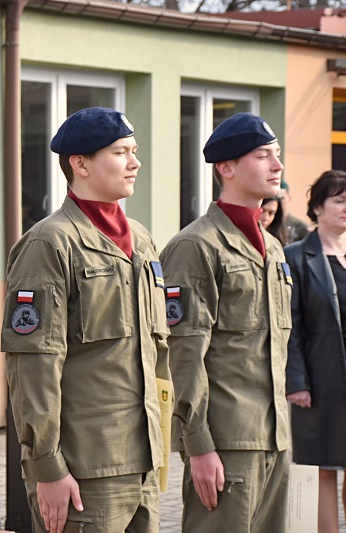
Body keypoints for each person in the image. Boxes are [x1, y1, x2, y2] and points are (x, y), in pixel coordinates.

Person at [2, 107, 170, 533]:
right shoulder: (50, 243)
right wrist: (47, 466)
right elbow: (33, 365)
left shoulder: (141, 240)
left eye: (134, 151)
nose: (134, 162)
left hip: (142, 461)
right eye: (120, 152)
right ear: (80, 164)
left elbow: (157, 353)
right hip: (84, 469)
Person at [160, 112, 291, 532]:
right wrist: (198, 445)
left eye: (277, 154)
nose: (277, 165)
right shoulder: (196, 246)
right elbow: (184, 354)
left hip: (274, 437)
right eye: (262, 155)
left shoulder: (272, 248)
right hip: (226, 441)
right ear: (226, 168)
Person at [285, 169, 346, 533]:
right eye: (339, 201)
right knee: (322, 465)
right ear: (318, 207)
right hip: (320, 381)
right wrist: (297, 381)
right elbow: (291, 326)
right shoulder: (297, 257)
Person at [280, 180, 310, 244]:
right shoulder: (266, 223)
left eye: (282, 198)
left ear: (289, 198)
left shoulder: (301, 227)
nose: (279, 202)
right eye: (276, 198)